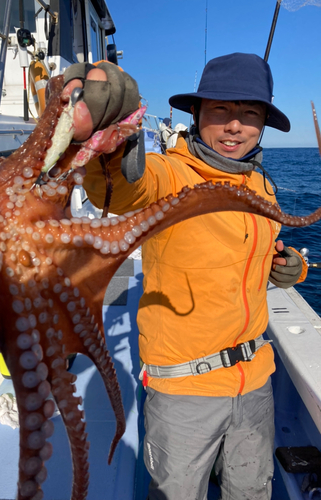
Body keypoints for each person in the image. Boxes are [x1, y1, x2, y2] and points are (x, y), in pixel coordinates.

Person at [61, 53, 308, 500]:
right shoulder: (171, 175)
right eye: (221, 110)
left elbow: (260, 255)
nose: (235, 125)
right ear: (196, 114)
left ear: (263, 124)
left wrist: (290, 267)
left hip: (254, 383)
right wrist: (108, 136)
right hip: (184, 391)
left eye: (250, 113)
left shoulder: (261, 185)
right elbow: (125, 185)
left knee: (252, 492)